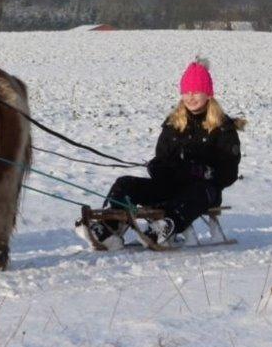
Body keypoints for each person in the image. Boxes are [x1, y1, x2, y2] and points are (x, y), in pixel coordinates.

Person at [76, 58, 245, 250]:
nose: (190, 97)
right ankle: (108, 228)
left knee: (195, 193)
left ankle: (165, 227)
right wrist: (157, 166)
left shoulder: (223, 127)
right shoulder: (174, 123)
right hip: (170, 186)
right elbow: (162, 156)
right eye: (186, 92)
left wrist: (203, 172)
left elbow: (228, 173)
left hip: (204, 191)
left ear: (208, 93)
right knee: (125, 183)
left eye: (196, 91)